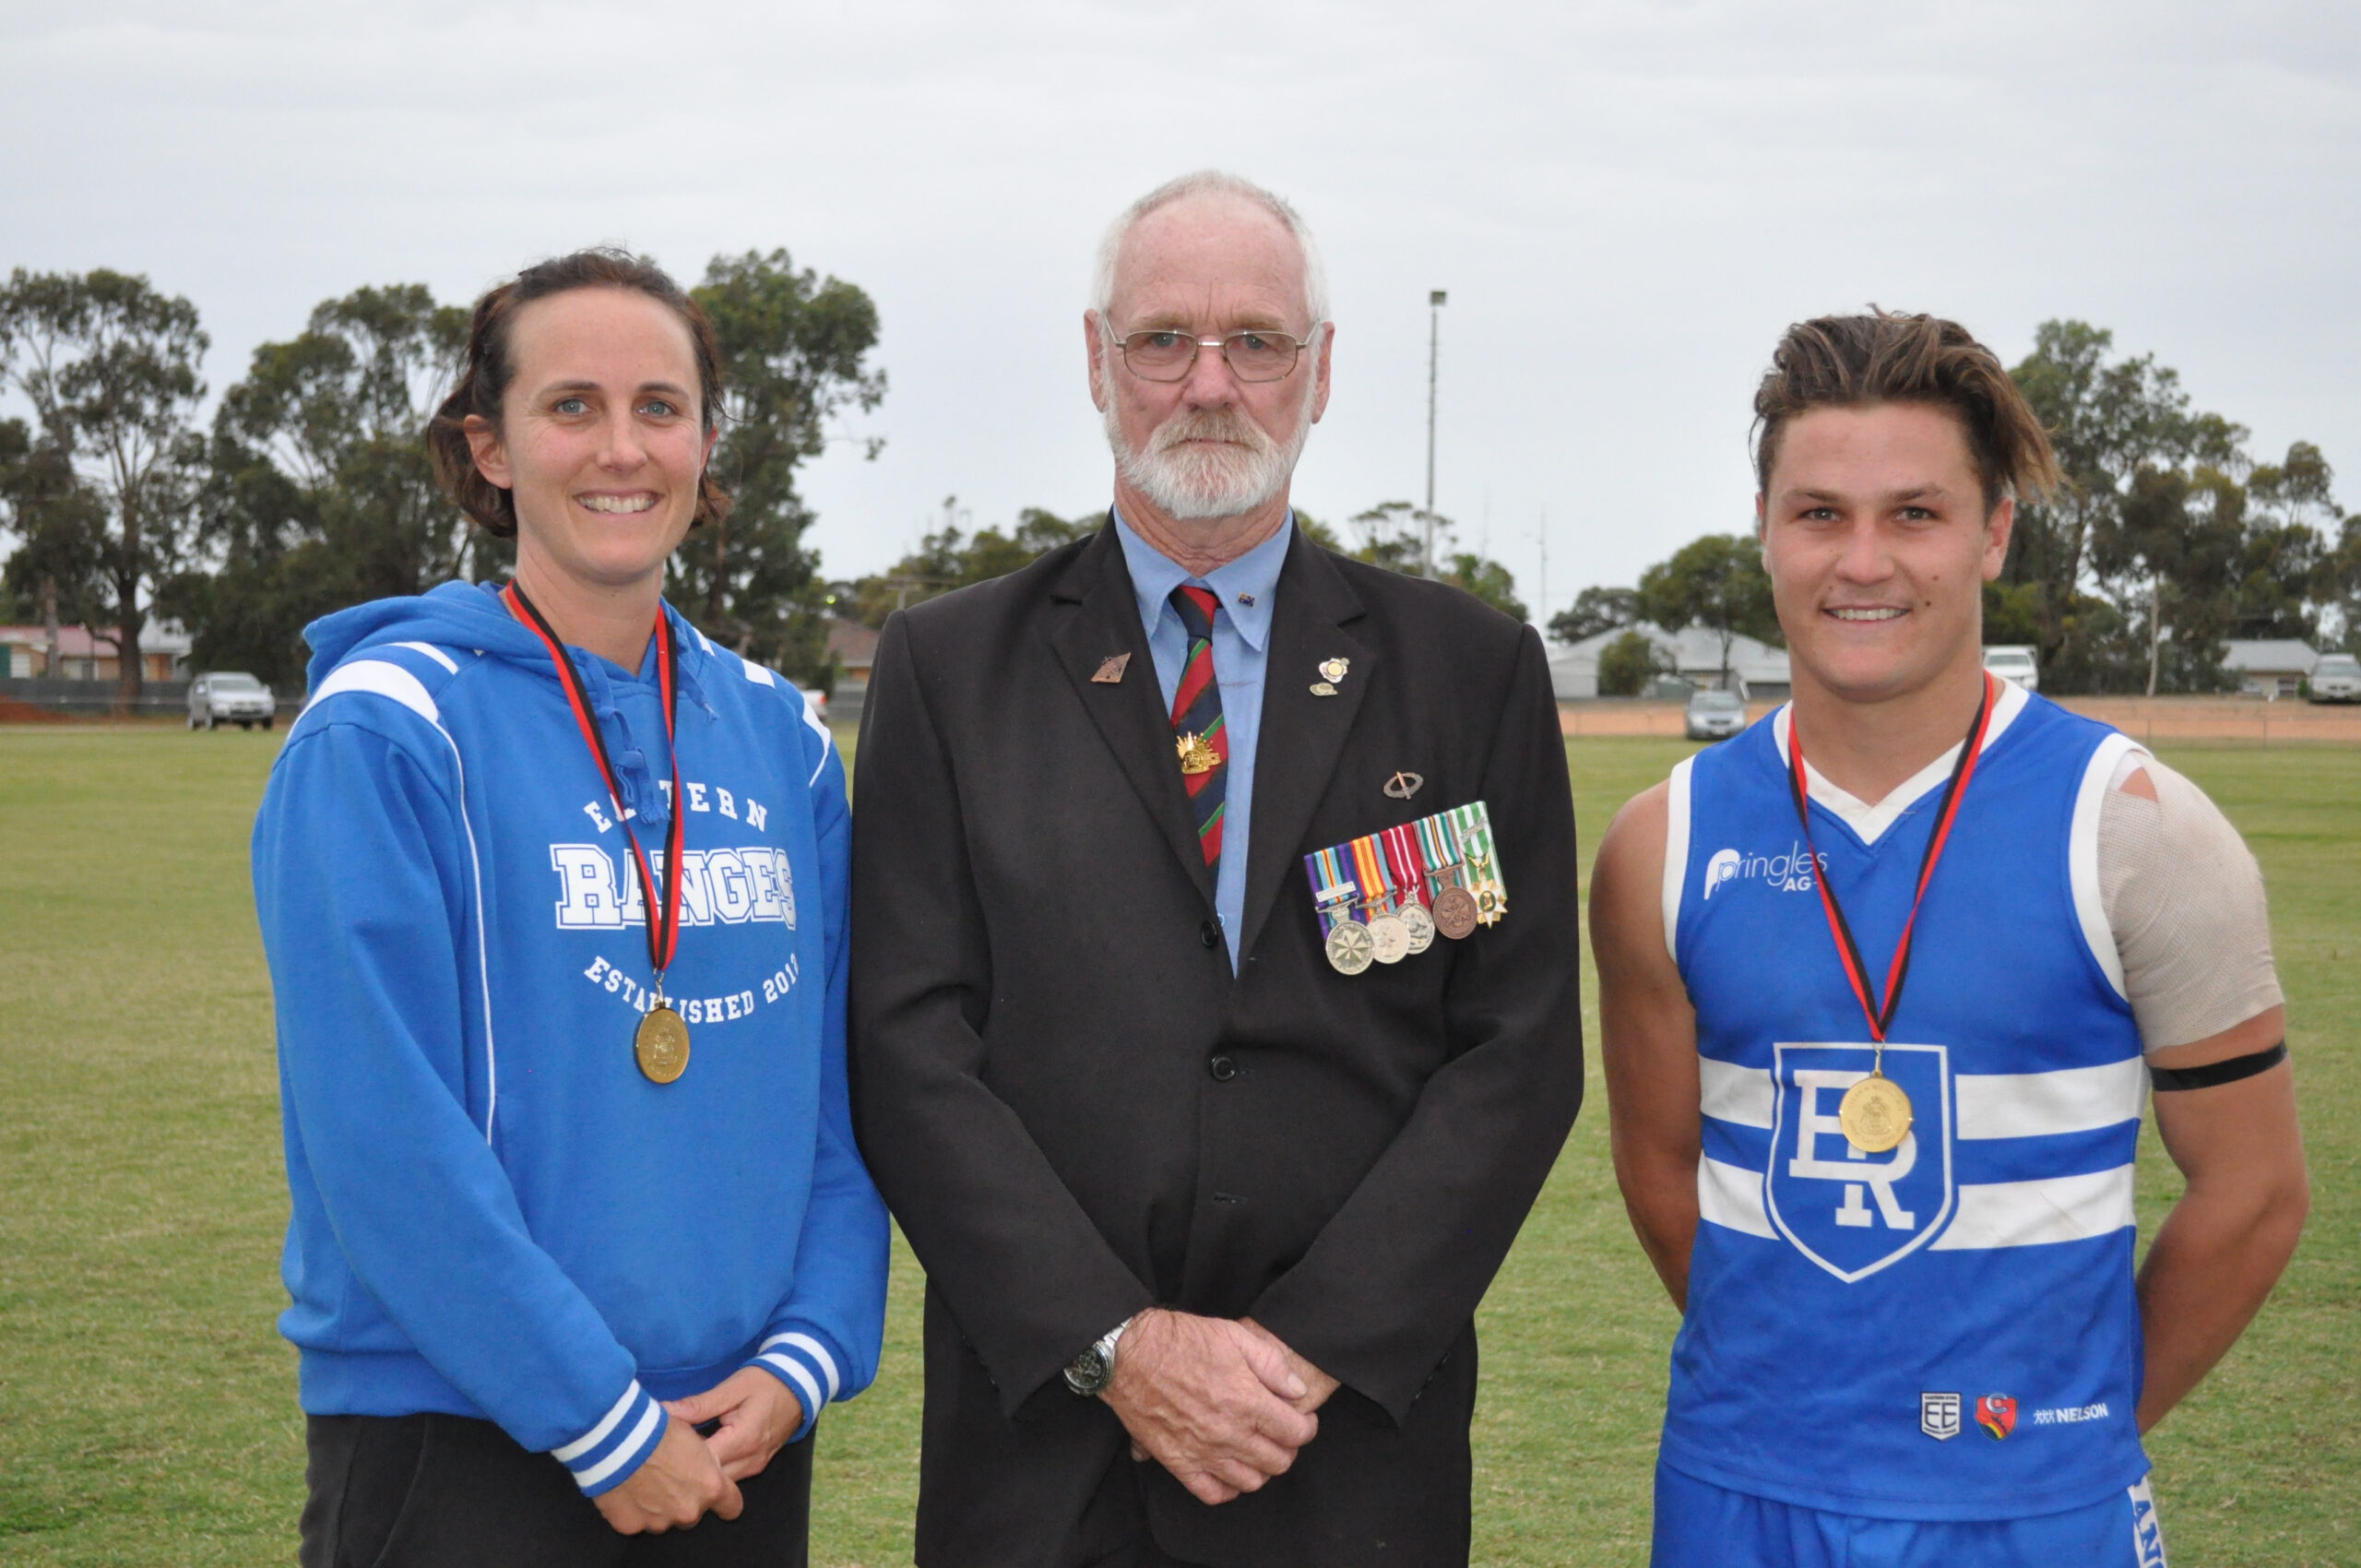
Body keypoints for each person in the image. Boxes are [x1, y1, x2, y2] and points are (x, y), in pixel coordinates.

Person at [848, 171, 1584, 1568]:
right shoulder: (949, 669)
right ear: (1094, 360)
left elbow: (1516, 1051)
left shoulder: (1465, 670)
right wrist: (1117, 1346)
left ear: (1318, 372)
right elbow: (906, 1046)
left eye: (1256, 340)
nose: (1208, 382)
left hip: (1347, 1451)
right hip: (1045, 1459)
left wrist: (1307, 1351)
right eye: (1161, 339)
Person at [1589, 309, 2311, 1567]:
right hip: (1739, 1495)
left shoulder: (2139, 832)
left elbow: (2255, 1196)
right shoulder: (1662, 842)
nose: (1863, 561)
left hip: (2036, 1509)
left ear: (1993, 532)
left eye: (1913, 513)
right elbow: (1662, 1176)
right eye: (1820, 513)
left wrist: (2072, 1427)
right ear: (1765, 529)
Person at [252, 249, 888, 1567]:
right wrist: (594, 1416)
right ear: (489, 448)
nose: (622, 448)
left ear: (707, 445)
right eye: (571, 407)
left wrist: (811, 1349)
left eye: (661, 407)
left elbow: (848, 1090)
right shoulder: (385, 730)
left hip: (740, 1432)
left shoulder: (786, 741)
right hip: (463, 1431)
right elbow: (380, 1132)